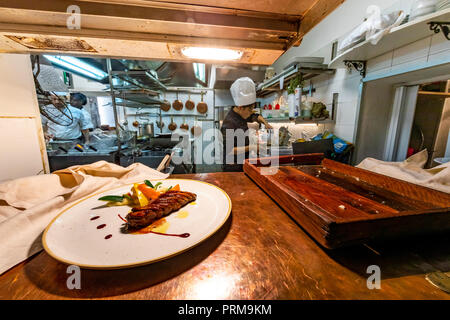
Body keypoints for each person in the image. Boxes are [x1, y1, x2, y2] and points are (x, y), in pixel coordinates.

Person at [220, 77, 273, 172]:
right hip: (233, 167)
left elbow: (255, 116)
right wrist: (252, 147)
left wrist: (266, 123)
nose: (250, 113)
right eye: (249, 110)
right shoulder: (229, 123)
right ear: (240, 107)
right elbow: (229, 150)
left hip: (244, 163)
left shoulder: (243, 114)